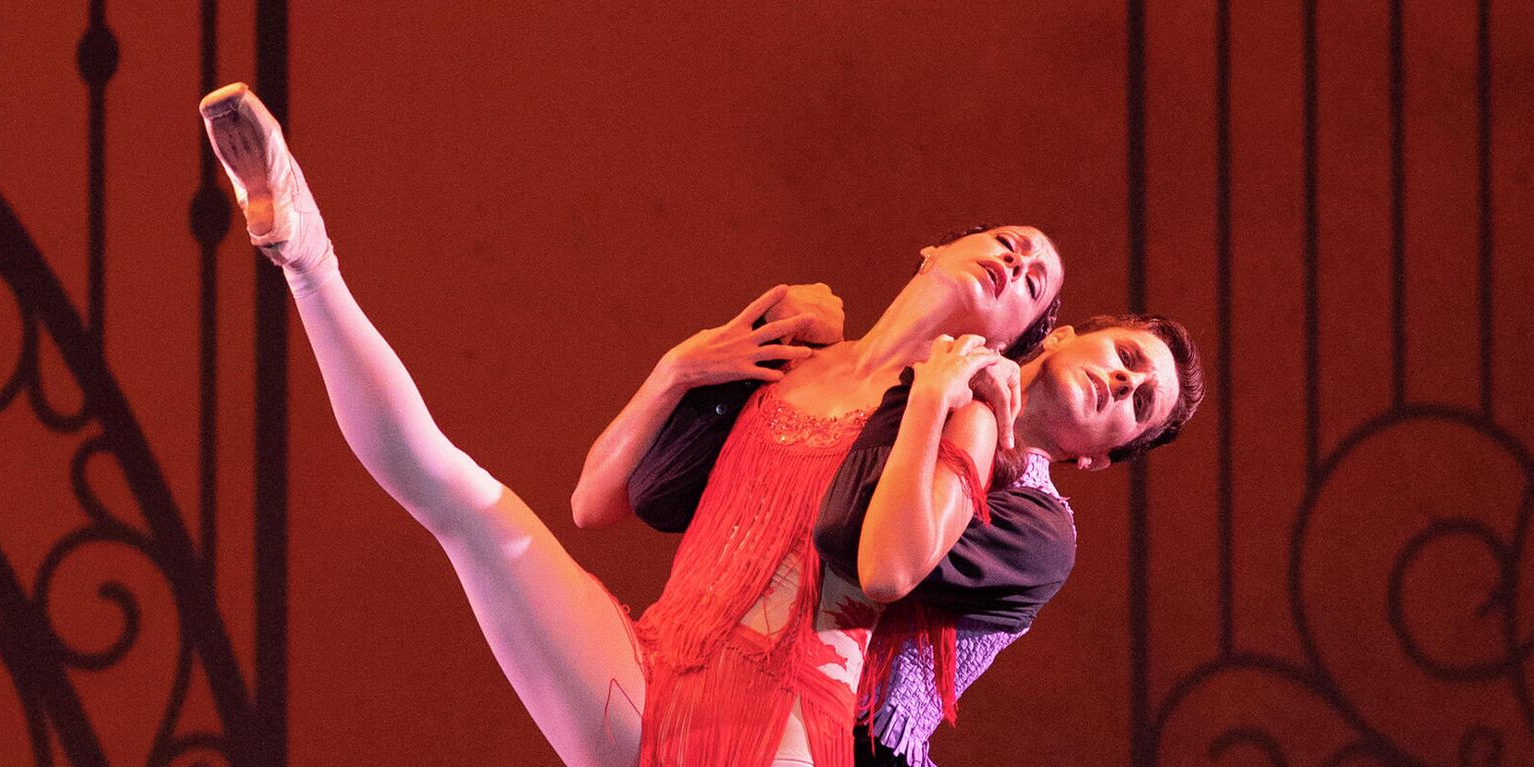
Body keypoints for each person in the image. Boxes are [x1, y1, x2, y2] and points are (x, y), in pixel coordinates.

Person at [198, 82, 1062, 767]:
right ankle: (309, 260)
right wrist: (677, 367)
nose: (1017, 262)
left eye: (1033, 283)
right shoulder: (789, 353)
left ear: (1012, 342)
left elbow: (887, 565)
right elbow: (592, 500)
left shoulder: (962, 417)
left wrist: (950, 395)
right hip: (650, 661)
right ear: (935, 248)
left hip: (787, 718)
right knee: (460, 498)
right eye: (1013, 242)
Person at [597, 313, 1204, 767]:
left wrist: (943, 398)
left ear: (1099, 458)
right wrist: (780, 344)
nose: (1125, 382)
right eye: (1127, 356)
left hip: (850, 741)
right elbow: (657, 493)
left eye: (1141, 401)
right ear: (1062, 334)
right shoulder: (898, 389)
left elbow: (857, 542)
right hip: (705, 667)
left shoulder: (1040, 532)